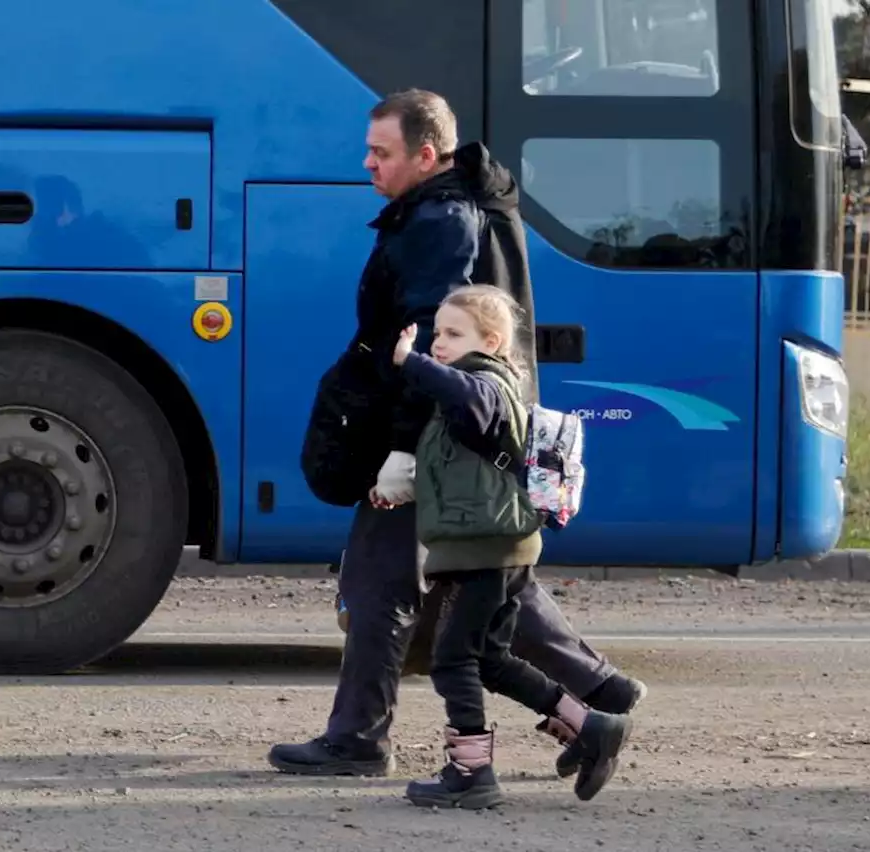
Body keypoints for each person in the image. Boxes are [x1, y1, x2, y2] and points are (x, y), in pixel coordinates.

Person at [279, 89, 644, 778]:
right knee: (487, 574)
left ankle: (358, 738)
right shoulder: (454, 208)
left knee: (379, 579)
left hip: (442, 435)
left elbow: (431, 344)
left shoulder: (440, 223)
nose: (367, 164)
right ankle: (603, 693)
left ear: (425, 153)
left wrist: (401, 450)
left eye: (381, 153)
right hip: (463, 431)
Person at [386, 285, 631, 809]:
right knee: (491, 661)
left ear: (492, 342)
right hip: (487, 544)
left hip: (487, 549)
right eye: (437, 333)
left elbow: (472, 402)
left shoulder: (487, 382)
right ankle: (590, 727)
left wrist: (412, 361)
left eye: (454, 334)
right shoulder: (469, 387)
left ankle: (471, 772)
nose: (440, 343)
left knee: (453, 661)